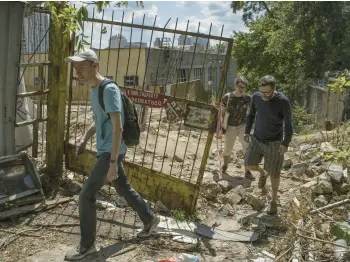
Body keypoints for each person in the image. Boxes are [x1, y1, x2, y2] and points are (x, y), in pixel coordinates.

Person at [64, 49, 160, 261]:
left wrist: (114, 162)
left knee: (86, 195)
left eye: (82, 66)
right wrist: (85, 139)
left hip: (110, 151)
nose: (77, 71)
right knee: (122, 186)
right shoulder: (94, 88)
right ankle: (150, 219)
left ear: (94, 65)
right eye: (75, 67)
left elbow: (118, 127)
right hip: (107, 150)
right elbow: (100, 118)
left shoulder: (108, 90)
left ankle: (87, 246)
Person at [244, 75, 293, 215]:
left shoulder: (282, 101)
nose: (264, 95)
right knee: (248, 164)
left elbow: (289, 124)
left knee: (275, 173)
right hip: (257, 139)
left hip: (274, 143)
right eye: (261, 92)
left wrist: (285, 142)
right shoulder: (256, 97)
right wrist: (247, 131)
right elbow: (251, 114)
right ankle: (261, 173)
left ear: (274, 89)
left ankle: (273, 201)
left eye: (267, 92)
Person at [221, 77, 253, 179]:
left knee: (247, 147)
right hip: (230, 126)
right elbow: (221, 112)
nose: (242, 89)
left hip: (243, 126)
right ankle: (225, 165)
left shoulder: (248, 98)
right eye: (240, 86)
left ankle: (247, 171)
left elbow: (253, 110)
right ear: (235, 85)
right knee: (228, 148)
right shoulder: (227, 97)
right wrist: (220, 126)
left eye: (243, 87)